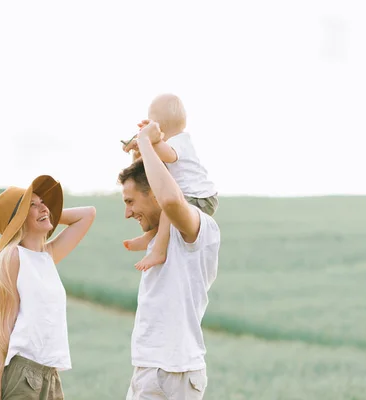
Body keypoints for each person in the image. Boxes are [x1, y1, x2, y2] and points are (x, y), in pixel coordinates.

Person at [0, 175, 96, 400]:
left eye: (42, 202)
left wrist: (47, 212)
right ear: (18, 221)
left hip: (48, 372)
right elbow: (4, 325)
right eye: (32, 205)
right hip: (18, 370)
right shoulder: (13, 257)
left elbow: (88, 214)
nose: (43, 207)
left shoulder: (47, 255)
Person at [118, 121, 221, 400]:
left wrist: (146, 140)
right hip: (149, 369)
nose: (127, 213)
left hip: (173, 372)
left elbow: (171, 201)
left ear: (154, 193)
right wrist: (140, 152)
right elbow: (158, 193)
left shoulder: (197, 225)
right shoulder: (159, 235)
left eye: (130, 202)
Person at [122, 93, 218, 271]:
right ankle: (151, 236)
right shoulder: (166, 143)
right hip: (189, 195)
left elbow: (169, 156)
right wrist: (139, 146)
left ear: (160, 127)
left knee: (168, 209)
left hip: (200, 197)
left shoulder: (179, 141)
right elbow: (149, 170)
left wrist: (149, 141)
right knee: (167, 209)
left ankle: (159, 250)